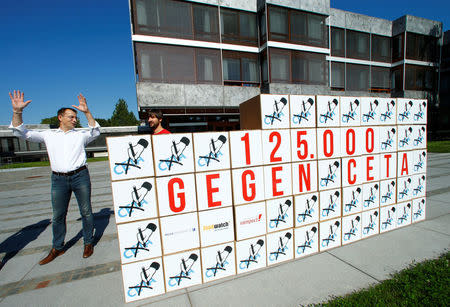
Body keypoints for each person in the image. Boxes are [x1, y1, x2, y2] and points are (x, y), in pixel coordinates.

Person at [9, 90, 101, 265]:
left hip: (80, 176)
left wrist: (86, 112)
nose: (74, 120)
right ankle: (57, 247)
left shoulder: (80, 134)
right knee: (58, 215)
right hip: (58, 179)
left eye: (75, 117)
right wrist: (17, 112)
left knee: (86, 211)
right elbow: (21, 133)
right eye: (71, 117)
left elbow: (95, 132)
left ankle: (88, 243)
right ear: (60, 117)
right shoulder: (48, 134)